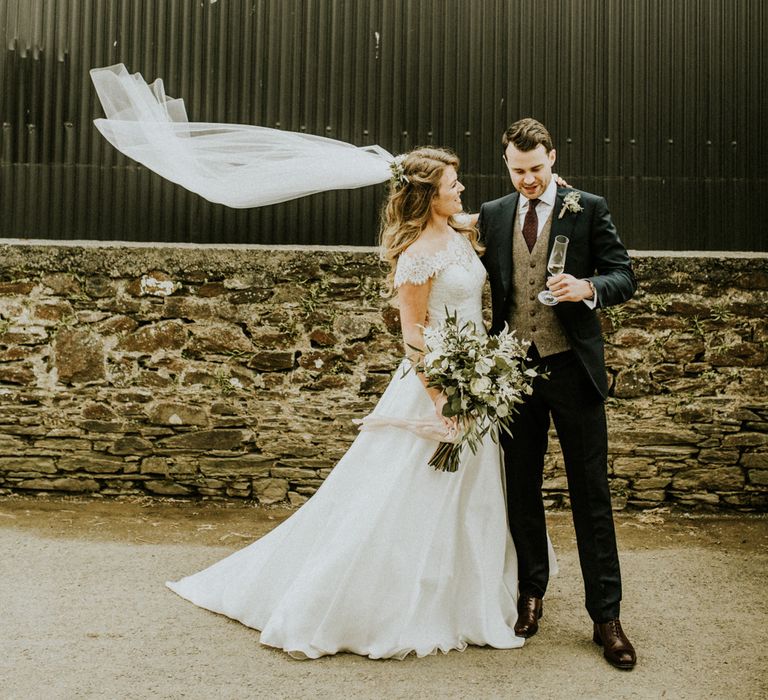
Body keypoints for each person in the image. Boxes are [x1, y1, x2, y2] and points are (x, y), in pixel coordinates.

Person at [167, 147, 556, 660]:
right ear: (428, 194)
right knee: (406, 494)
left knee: (472, 496)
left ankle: (468, 591)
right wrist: (441, 396)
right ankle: (385, 598)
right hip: (436, 385)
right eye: (451, 184)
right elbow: (414, 337)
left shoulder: (461, 230)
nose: (461, 189)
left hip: (477, 379)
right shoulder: (416, 255)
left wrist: (548, 184)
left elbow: (518, 209)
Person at [478, 118, 638, 669]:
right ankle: (530, 593)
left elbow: (625, 274)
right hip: (513, 372)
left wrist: (589, 287)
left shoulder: (587, 206)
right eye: (518, 170)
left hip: (572, 369)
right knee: (520, 488)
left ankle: (607, 617)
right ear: (507, 164)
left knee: (590, 493)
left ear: (552, 157)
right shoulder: (495, 215)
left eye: (537, 169)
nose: (527, 179)